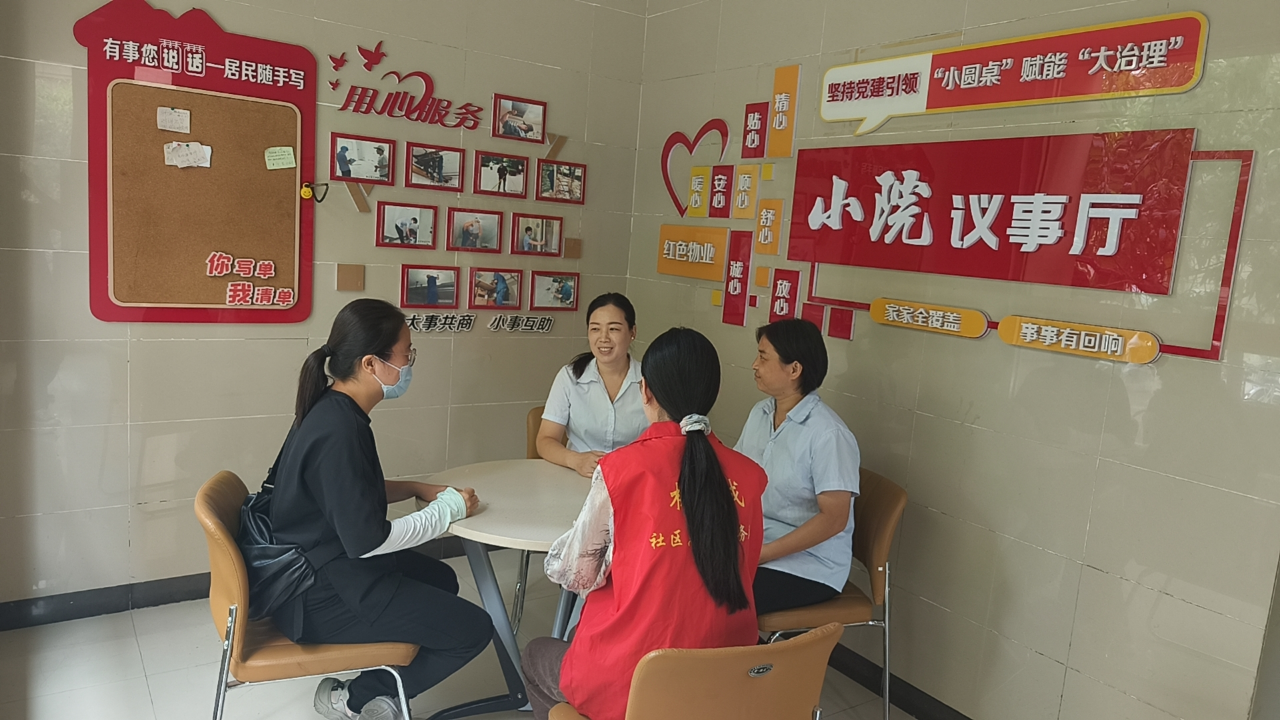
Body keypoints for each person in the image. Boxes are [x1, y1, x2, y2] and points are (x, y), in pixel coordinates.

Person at [521, 327, 768, 720]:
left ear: (646, 391)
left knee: (536, 654)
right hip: (721, 678)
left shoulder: (622, 469)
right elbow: (745, 568)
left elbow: (576, 574)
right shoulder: (750, 476)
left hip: (632, 680)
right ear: (713, 393)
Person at [268, 299, 494, 720]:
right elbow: (368, 540)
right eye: (406, 353)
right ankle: (354, 699)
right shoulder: (339, 431)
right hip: (319, 595)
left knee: (442, 579)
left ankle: (386, 672)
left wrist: (415, 488)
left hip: (325, 566)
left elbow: (345, 492)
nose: (409, 363)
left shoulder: (332, 408)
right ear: (371, 363)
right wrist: (446, 512)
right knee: (475, 629)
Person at [735, 318, 861, 616]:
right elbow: (737, 476)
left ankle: (749, 649)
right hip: (759, 541)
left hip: (810, 565)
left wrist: (763, 554)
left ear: (794, 370)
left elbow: (834, 519)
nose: (754, 365)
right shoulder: (761, 413)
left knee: (723, 596)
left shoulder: (828, 434)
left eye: (763, 357)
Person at [536, 293, 647, 478]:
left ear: (632, 332)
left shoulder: (650, 380)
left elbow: (667, 440)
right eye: (595, 329)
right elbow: (545, 440)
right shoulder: (570, 377)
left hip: (633, 479)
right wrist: (575, 460)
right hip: (578, 477)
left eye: (613, 329)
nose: (603, 338)